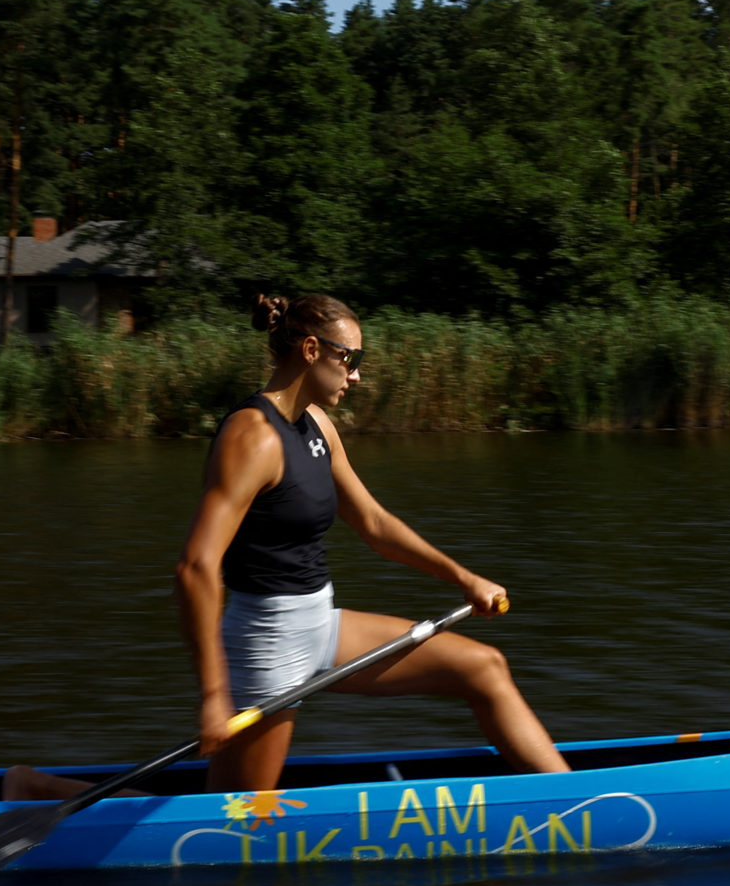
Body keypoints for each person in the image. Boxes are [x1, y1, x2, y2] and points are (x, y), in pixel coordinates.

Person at [177, 293, 570, 793]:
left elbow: (374, 523)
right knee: (238, 818)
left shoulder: (316, 425)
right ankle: (46, 794)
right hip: (268, 644)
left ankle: (574, 803)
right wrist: (214, 694)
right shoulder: (252, 437)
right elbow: (195, 567)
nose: (357, 375)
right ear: (312, 350)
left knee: (485, 668)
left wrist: (464, 578)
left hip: (321, 624)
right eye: (351, 358)